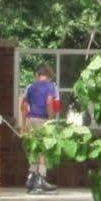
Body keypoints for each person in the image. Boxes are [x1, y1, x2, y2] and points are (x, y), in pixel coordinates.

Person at [21, 65, 61, 194]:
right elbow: (50, 103)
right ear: (49, 75)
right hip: (43, 120)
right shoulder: (51, 86)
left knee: (34, 149)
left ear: (37, 75)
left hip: (31, 119)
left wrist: (24, 125)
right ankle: (41, 179)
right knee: (43, 150)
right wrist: (50, 121)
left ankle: (31, 177)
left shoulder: (31, 87)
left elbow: (24, 106)